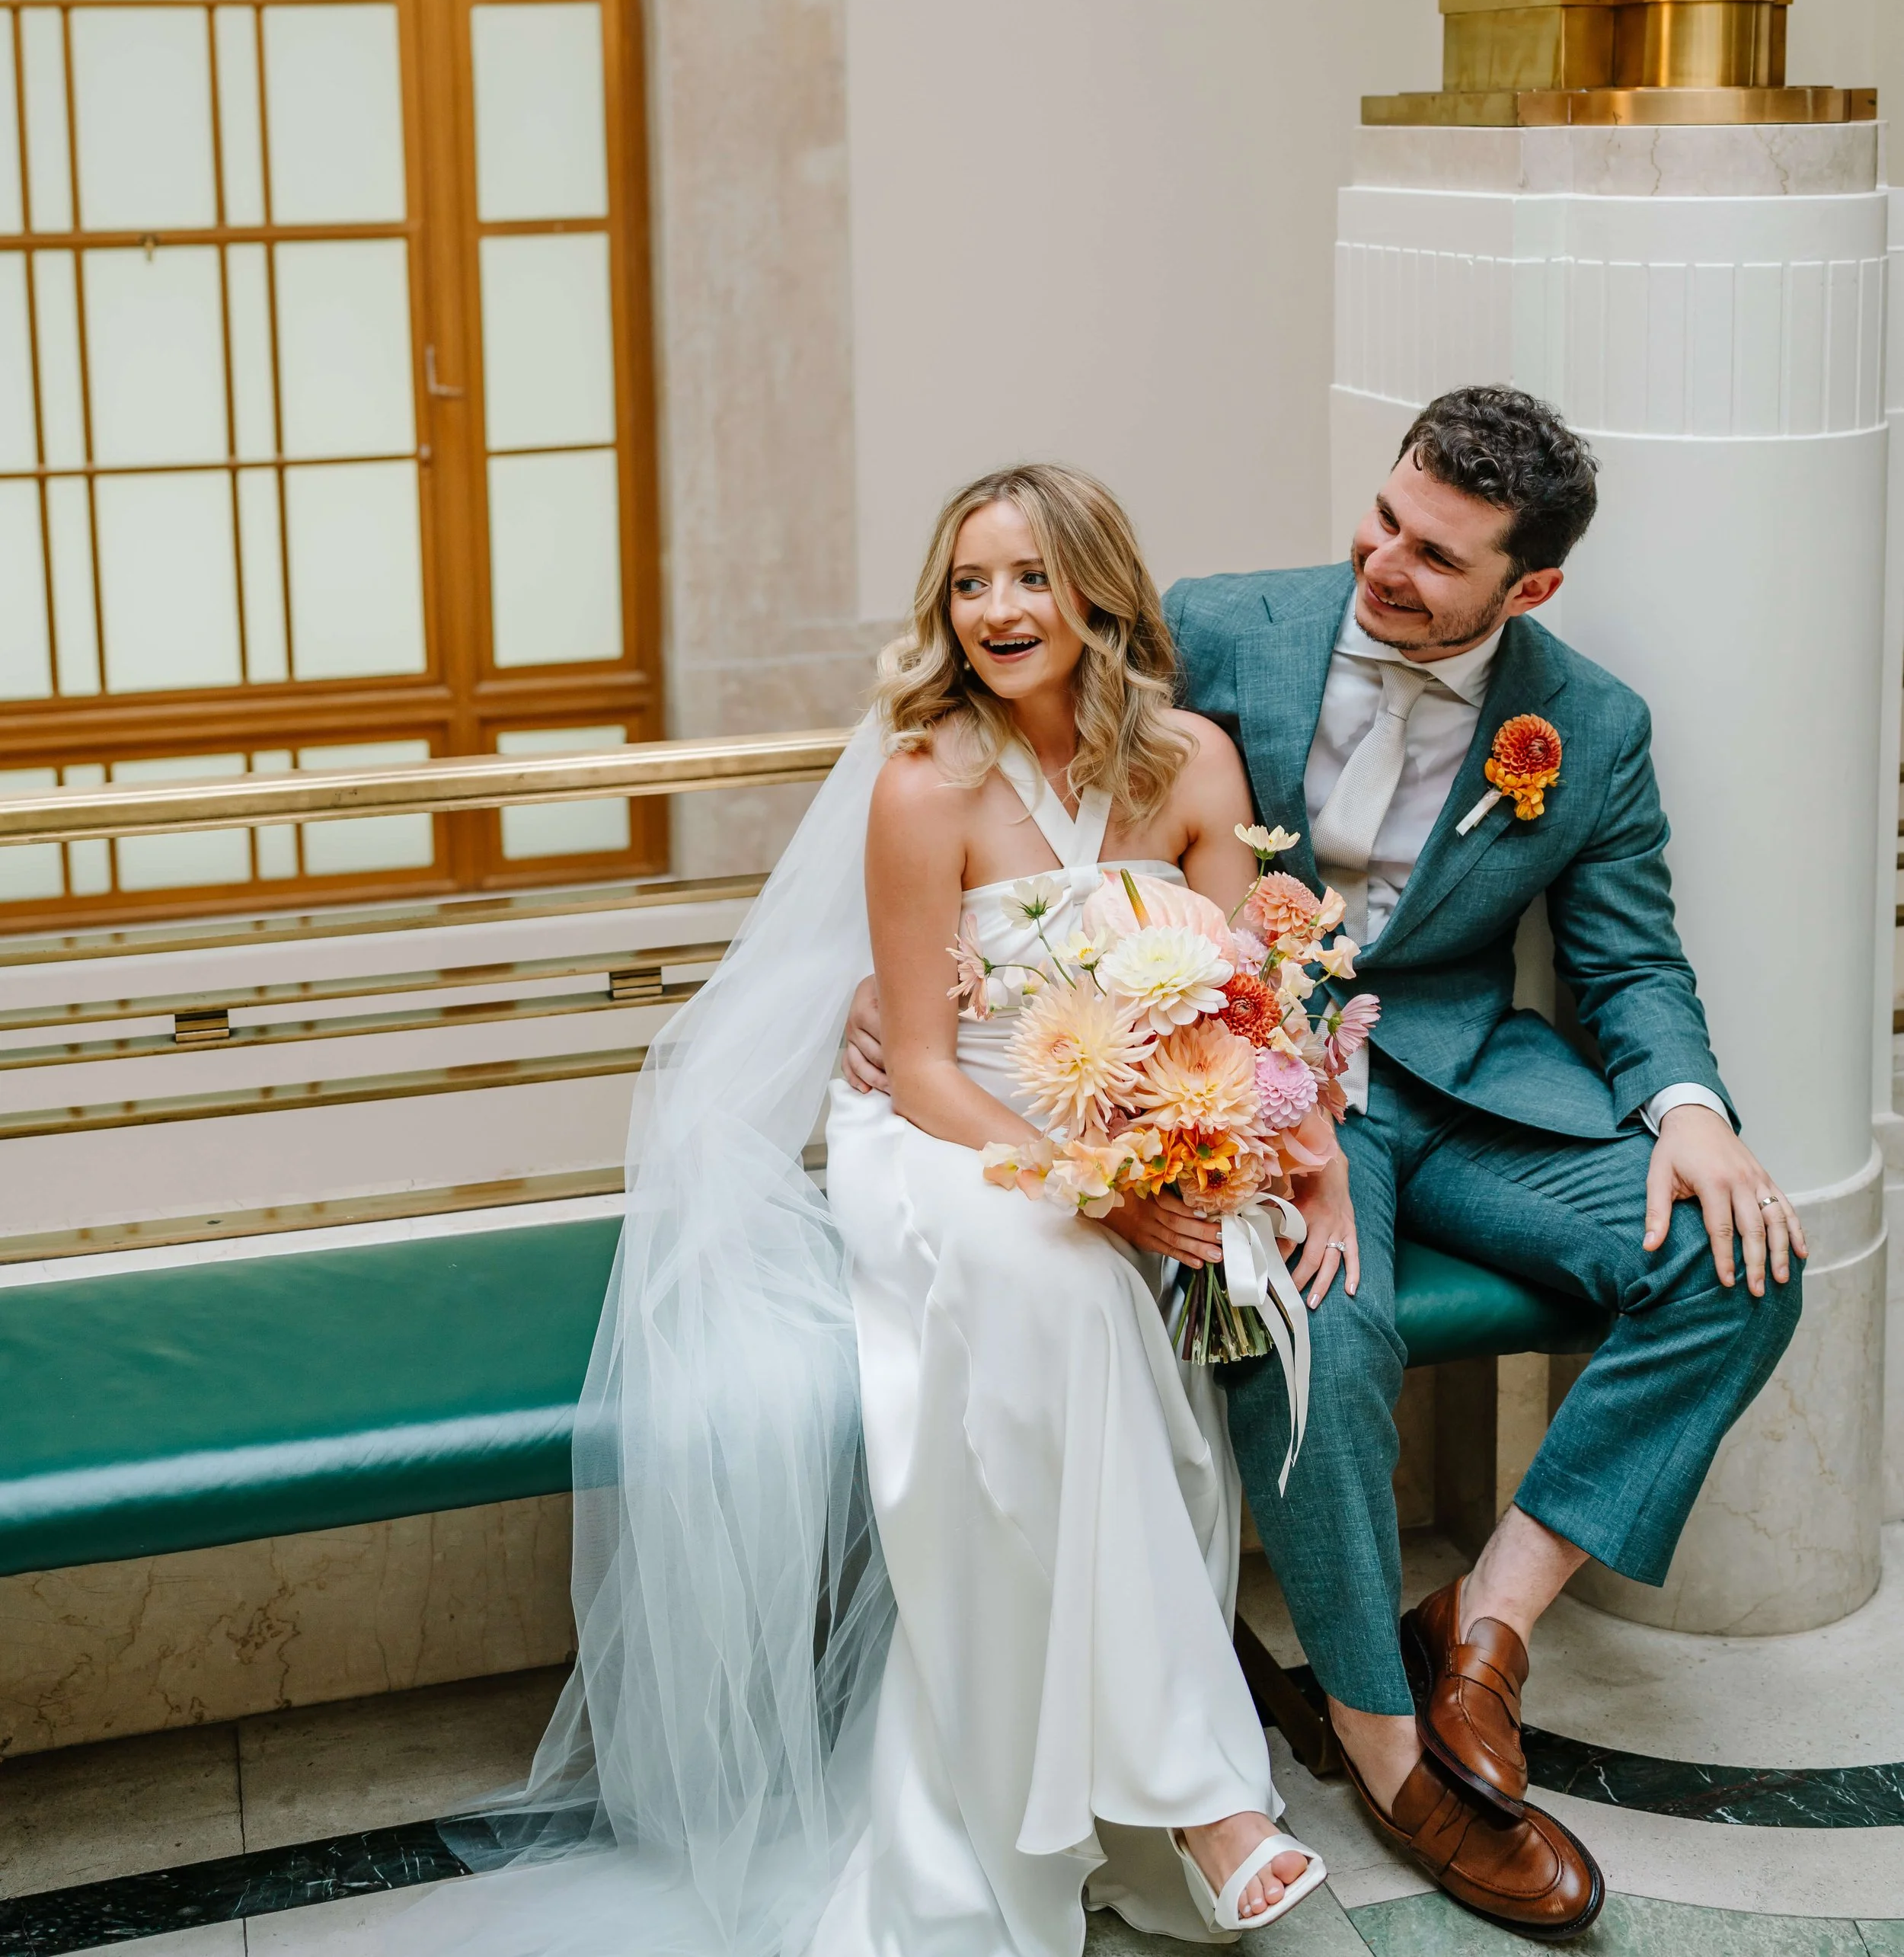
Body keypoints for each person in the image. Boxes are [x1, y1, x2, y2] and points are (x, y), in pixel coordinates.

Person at [847, 386, 1805, 1941]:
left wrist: (1688, 1105)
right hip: (1261, 1083)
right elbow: (1028, 770)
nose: (1382, 559)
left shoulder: (1591, 723)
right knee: (1305, 1329)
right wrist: (914, 983)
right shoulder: (1221, 629)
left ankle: (1479, 1626)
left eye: (1434, 555)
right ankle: (1377, 1737)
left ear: (1527, 586)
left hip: (1474, 1082)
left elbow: (1628, 962)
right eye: (1384, 516)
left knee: (1736, 1261)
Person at [392, 462, 1327, 1957]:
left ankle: (1145, 1787)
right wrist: (1094, 1189)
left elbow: (1247, 1012)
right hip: (942, 1146)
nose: (997, 607)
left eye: (1027, 575)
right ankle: (1206, 1803)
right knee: (1061, 1278)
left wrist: (1207, 1156)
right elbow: (925, 1065)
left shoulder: (1194, 767)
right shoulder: (924, 782)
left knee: (1090, 1312)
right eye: (969, 581)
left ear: (1096, 590)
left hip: (1125, 1151)